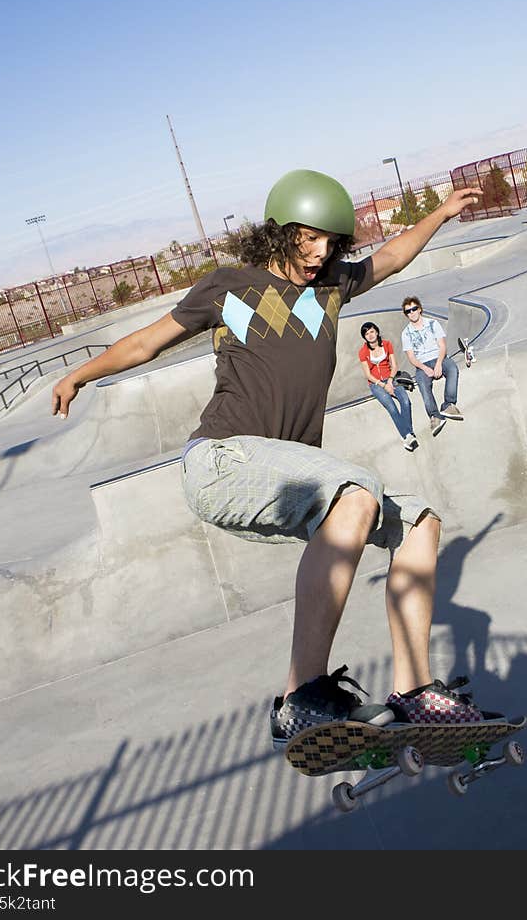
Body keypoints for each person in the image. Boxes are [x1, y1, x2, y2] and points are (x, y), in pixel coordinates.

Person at [51, 168, 502, 746]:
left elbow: (390, 258)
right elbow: (146, 342)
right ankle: (300, 697)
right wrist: (80, 376)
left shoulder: (333, 286)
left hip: (285, 473)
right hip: (222, 460)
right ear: (281, 231)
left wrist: (437, 215)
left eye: (331, 243)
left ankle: (413, 692)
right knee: (356, 491)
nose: (320, 253)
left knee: (418, 522)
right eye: (308, 238)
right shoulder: (230, 286)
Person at [400, 295, 463, 436]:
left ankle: (448, 404)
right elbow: (411, 357)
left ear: (420, 309)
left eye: (414, 309)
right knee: (422, 384)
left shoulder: (433, 324)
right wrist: (425, 368)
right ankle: (435, 416)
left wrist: (439, 364)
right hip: (421, 363)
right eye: (408, 311)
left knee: (452, 368)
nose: (412, 313)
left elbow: (442, 346)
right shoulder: (406, 333)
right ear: (406, 315)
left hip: (438, 356)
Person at [358, 320, 417, 452]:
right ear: (365, 337)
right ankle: (407, 435)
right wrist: (383, 386)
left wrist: (390, 381)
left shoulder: (387, 344)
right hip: (376, 384)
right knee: (391, 407)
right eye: (367, 334)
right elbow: (368, 375)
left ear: (377, 331)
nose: (370, 335)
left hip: (391, 377)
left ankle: (408, 433)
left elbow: (394, 365)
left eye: (372, 331)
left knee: (405, 401)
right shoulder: (363, 352)